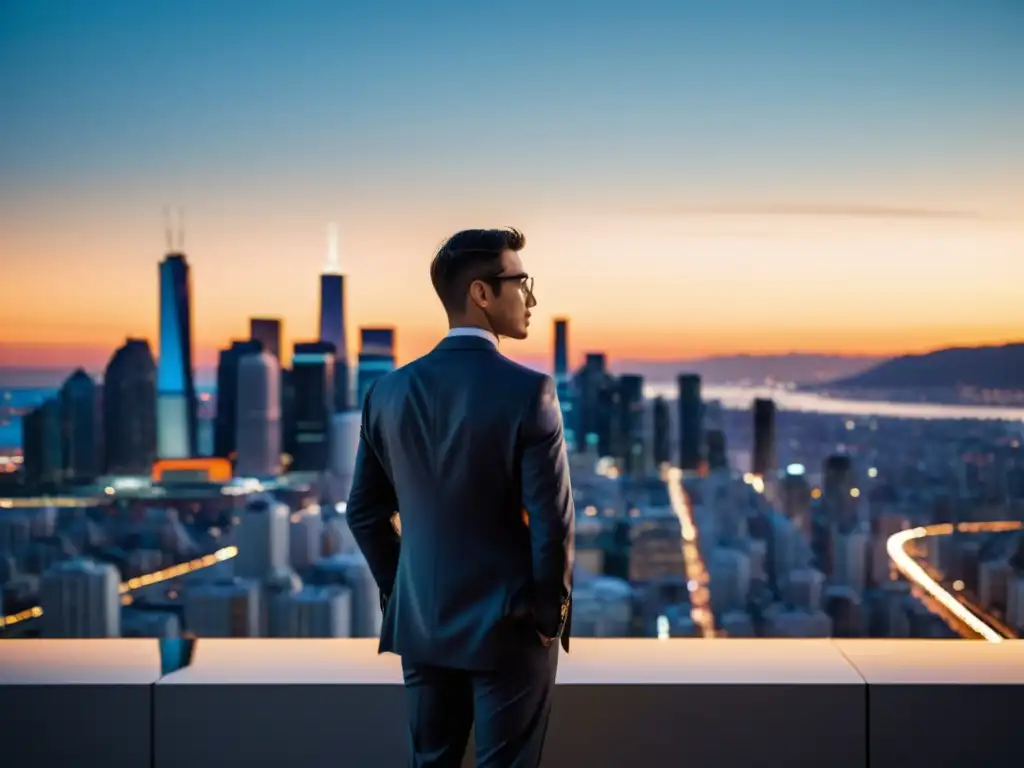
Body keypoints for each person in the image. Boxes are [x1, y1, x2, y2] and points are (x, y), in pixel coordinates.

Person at [346, 227, 574, 768]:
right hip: (511, 627)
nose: (531, 298)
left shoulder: (387, 391)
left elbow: (364, 513)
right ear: (481, 293)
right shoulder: (529, 391)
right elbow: (552, 522)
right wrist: (549, 615)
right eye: (521, 282)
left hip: (423, 622)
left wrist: (406, 590)